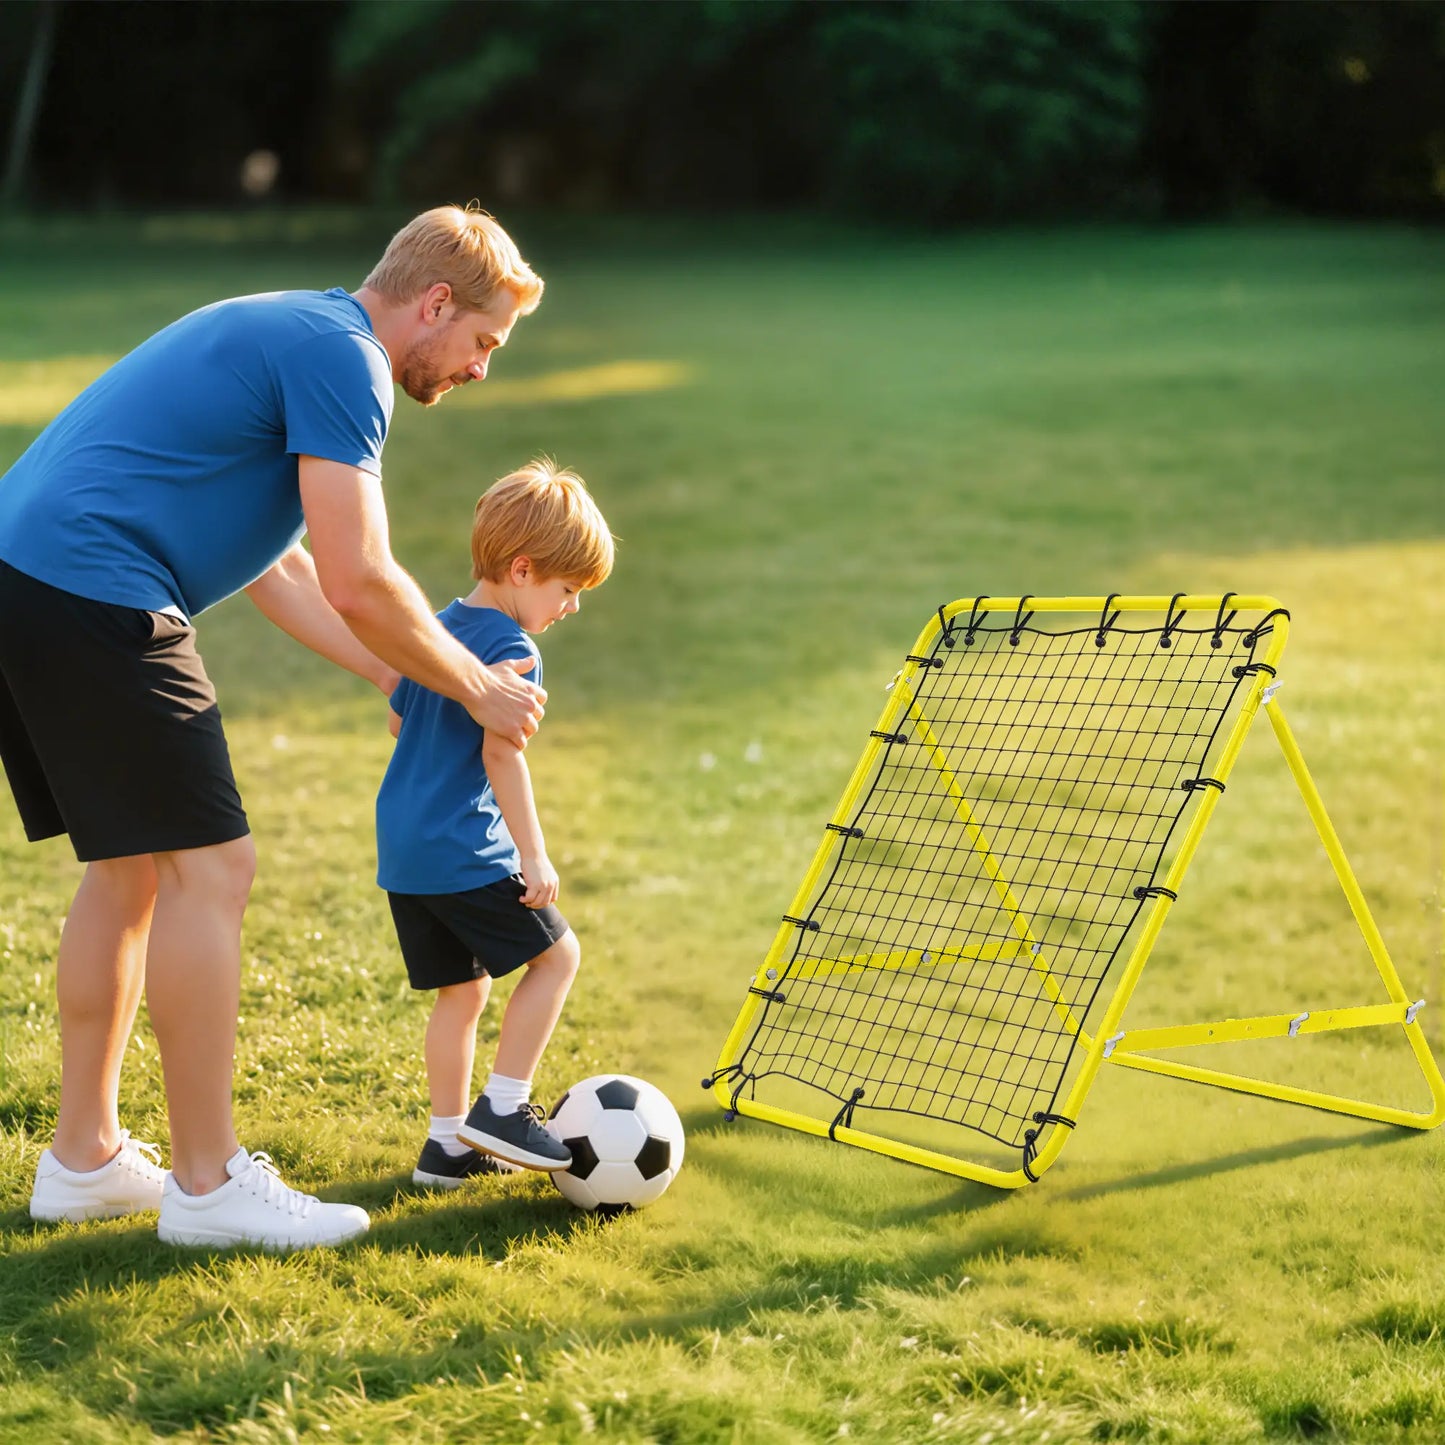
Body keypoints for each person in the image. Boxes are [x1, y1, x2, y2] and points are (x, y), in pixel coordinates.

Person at [0, 205, 549, 1249]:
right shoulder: (348, 362)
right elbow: (360, 575)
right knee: (214, 869)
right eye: (482, 341)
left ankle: (83, 1157)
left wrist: (401, 679)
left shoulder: (301, 332)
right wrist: (476, 684)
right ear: (434, 303)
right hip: (93, 585)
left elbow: (282, 565)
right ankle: (208, 1184)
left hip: (22, 575)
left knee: (127, 870)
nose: (481, 367)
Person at [376, 461, 613, 1189]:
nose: (571, 608)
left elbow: (396, 718)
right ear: (521, 568)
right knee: (558, 957)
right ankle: (503, 1107)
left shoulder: (434, 630)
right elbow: (501, 756)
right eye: (567, 589)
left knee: (464, 989)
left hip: (404, 849)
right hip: (461, 847)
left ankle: (446, 1145)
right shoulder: (515, 651)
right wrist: (534, 857)